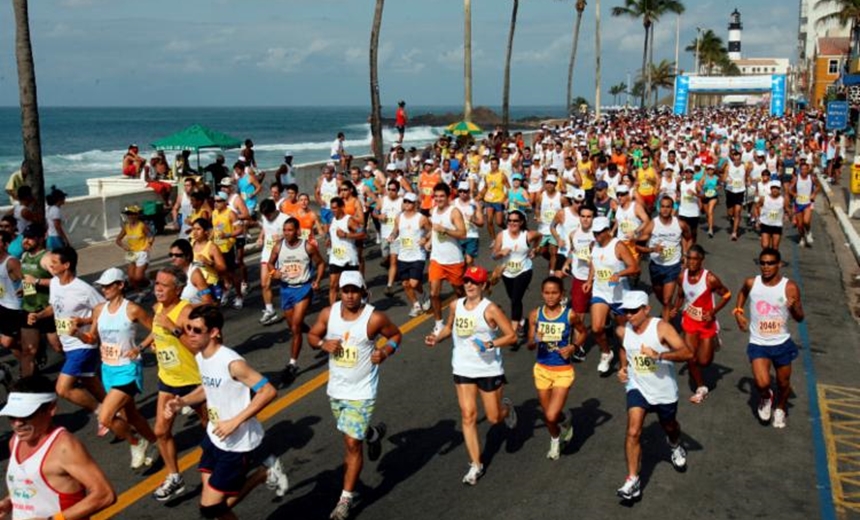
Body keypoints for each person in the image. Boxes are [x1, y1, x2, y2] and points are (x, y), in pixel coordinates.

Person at [164, 305, 288, 519]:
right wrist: (181, 401)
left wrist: (235, 422)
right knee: (216, 509)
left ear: (213, 332)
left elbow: (268, 391)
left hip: (237, 445)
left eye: (196, 330)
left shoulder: (232, 363)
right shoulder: (201, 357)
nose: (190, 335)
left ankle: (264, 473)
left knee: (210, 509)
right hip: (214, 437)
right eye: (188, 328)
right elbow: (206, 388)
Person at [306, 272, 402, 520]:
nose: (349, 295)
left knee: (351, 444)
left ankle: (344, 500)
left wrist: (385, 352)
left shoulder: (374, 318)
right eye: (345, 290)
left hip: (362, 391)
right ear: (339, 291)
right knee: (353, 435)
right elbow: (312, 336)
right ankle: (373, 434)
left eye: (354, 291)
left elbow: (395, 335)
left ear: (363, 292)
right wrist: (321, 345)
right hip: (336, 390)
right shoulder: (329, 314)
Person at [424, 265, 518, 486]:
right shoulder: (456, 305)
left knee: (494, 418)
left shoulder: (491, 309)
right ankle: (476, 465)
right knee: (468, 415)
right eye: (466, 281)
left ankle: (507, 409)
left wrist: (490, 343)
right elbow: (449, 328)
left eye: (474, 282)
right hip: (462, 367)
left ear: (483, 285)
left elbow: (512, 336)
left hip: (488, 369)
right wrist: (437, 338)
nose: (469, 285)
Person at [0, 375, 116, 519]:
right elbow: (31, 484)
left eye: (26, 415)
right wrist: (10, 501)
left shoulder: (64, 447)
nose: (17, 424)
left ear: (51, 409)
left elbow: (105, 494)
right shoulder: (16, 440)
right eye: (12, 416)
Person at [615, 290, 694, 501]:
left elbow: (687, 353)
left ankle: (676, 444)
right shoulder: (623, 330)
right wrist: (623, 368)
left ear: (646, 309)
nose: (629, 315)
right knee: (633, 431)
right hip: (637, 387)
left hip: (663, 391)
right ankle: (633, 479)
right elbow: (625, 349)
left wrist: (659, 355)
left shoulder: (662, 328)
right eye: (626, 311)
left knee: (669, 426)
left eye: (633, 311)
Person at [143, 266, 208, 502]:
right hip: (168, 380)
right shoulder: (158, 308)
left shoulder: (187, 312)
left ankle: (230, 460)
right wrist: (152, 344)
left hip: (194, 382)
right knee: (161, 430)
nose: (158, 289)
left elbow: (198, 346)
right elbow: (159, 335)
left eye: (163, 285)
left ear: (178, 289)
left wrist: (173, 329)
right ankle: (174, 477)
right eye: (156, 284)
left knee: (210, 427)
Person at [88, 267, 158, 469]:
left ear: (120, 285)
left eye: (109, 286)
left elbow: (156, 328)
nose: (105, 290)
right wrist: (76, 332)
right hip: (108, 370)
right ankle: (156, 443)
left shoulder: (132, 309)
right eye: (102, 286)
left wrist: (140, 348)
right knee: (132, 415)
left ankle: (136, 442)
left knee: (106, 417)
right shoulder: (99, 309)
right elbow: (91, 337)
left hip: (128, 369)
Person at [734, 247, 805, 429]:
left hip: (781, 343)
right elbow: (742, 293)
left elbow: (800, 317)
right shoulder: (752, 283)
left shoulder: (789, 287)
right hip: (758, 342)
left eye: (770, 263)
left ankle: (780, 408)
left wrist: (794, 307)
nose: (766, 267)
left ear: (779, 264)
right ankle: (766, 397)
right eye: (763, 263)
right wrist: (738, 311)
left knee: (783, 382)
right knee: (762, 382)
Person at [33, 246, 106, 413]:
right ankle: (119, 415)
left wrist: (84, 320)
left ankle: (103, 413)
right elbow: (54, 306)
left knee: (62, 389)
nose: (50, 266)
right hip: (68, 344)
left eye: (54, 262)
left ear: (66, 265)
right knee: (91, 383)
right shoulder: (55, 284)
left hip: (83, 344)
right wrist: (39, 315)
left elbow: (104, 310)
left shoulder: (83, 289)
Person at [526, 276, 587, 460]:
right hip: (542, 369)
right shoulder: (535, 315)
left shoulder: (569, 315)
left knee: (551, 416)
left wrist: (573, 347)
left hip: (562, 371)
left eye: (554, 293)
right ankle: (556, 437)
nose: (550, 297)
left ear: (561, 294)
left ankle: (559, 431)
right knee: (549, 415)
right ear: (542, 293)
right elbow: (529, 344)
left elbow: (583, 332)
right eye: (547, 293)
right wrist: (535, 338)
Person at [268, 218, 325, 387]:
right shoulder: (279, 246)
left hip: (303, 288)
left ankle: (292, 363)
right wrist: (273, 272)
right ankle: (316, 333)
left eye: (290, 230)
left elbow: (321, 263)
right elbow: (270, 263)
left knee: (295, 327)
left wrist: (317, 280)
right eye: (285, 230)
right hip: (286, 289)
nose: (287, 233)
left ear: (297, 231)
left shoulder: (307, 247)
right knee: (293, 325)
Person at [671, 245, 731, 403]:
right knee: (690, 357)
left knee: (704, 362)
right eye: (688, 258)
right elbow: (680, 295)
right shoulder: (682, 276)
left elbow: (726, 295)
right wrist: (676, 308)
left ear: (702, 260)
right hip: (689, 320)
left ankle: (714, 339)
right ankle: (700, 387)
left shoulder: (710, 279)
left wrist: (713, 311)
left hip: (706, 323)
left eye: (695, 259)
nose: (691, 262)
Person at [586, 216, 640, 375]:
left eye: (599, 233)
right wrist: (589, 281)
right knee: (596, 328)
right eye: (594, 233)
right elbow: (594, 265)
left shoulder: (619, 245)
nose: (596, 236)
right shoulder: (593, 245)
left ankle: (627, 362)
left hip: (619, 295)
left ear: (608, 231)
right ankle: (606, 352)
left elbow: (634, 268)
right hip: (600, 292)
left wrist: (619, 274)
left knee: (623, 332)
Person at [492, 209, 540, 337]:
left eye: (516, 221)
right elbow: (494, 255)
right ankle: (522, 321)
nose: (512, 223)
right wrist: (500, 253)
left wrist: (535, 249)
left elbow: (539, 236)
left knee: (516, 299)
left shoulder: (527, 235)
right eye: (510, 220)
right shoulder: (502, 235)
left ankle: (512, 333)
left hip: (524, 270)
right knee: (513, 298)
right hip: (507, 272)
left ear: (521, 222)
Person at [428, 183, 468, 334]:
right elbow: (434, 231)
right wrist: (428, 241)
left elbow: (463, 233)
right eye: (436, 196)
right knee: (434, 293)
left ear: (448, 196)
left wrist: (445, 229)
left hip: (453, 259)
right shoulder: (433, 211)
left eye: (441, 196)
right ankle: (439, 324)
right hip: (437, 259)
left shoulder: (454, 212)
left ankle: (466, 315)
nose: (438, 199)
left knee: (459, 292)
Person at [19, 223, 57, 378]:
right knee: (28, 350)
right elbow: (27, 280)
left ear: (40, 239)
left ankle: (79, 372)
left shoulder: (47, 258)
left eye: (30, 238)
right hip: (29, 309)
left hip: (48, 310)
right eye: (24, 237)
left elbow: (62, 281)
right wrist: (25, 290)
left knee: (58, 346)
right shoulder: (24, 257)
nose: (26, 241)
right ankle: (26, 385)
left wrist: (37, 281)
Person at [389, 192, 432, 317]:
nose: (407, 204)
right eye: (405, 201)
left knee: (413, 283)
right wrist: (392, 236)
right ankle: (416, 305)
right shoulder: (399, 217)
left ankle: (423, 295)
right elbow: (396, 230)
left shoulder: (421, 218)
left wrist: (425, 238)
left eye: (410, 202)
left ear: (415, 204)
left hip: (418, 255)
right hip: (403, 255)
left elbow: (431, 230)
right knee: (405, 284)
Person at [326, 196, 366, 305]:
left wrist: (346, 235)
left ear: (342, 207)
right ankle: (333, 310)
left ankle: (363, 294)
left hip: (349, 258)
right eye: (332, 208)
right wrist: (329, 240)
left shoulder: (350, 220)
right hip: (335, 258)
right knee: (333, 285)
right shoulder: (332, 219)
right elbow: (333, 233)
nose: (333, 210)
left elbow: (363, 234)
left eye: (335, 208)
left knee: (352, 286)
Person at [256, 199, 288, 325]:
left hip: (283, 254)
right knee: (264, 284)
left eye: (268, 215)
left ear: (274, 211)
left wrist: (282, 237)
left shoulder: (285, 218)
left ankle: (292, 305)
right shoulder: (265, 217)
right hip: (267, 254)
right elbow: (265, 228)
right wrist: (260, 237)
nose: (267, 217)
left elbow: (297, 233)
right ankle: (270, 310)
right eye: (264, 215)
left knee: (287, 283)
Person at [212, 191, 245, 309]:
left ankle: (239, 296)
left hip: (228, 248)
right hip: (217, 248)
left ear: (225, 202)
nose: (216, 203)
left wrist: (227, 235)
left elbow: (240, 229)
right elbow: (215, 229)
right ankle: (226, 289)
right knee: (219, 272)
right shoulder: (214, 213)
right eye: (215, 201)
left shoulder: (231, 214)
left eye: (219, 201)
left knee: (232, 272)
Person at [115, 205, 153, 293]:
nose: (130, 216)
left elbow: (150, 236)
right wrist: (124, 247)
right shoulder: (126, 227)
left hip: (141, 252)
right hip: (131, 253)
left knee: (138, 277)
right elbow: (118, 240)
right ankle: (139, 293)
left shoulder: (142, 225)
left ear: (137, 215)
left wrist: (149, 245)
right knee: (131, 277)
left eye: (132, 214)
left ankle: (149, 282)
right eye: (128, 214)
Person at [375, 180, 404, 297]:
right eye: (389, 189)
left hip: (397, 235)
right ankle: (394, 271)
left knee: (393, 260)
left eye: (393, 190)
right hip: (384, 235)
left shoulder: (402, 202)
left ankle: (389, 286)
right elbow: (375, 211)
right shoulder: (383, 200)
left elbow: (409, 213)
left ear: (397, 190)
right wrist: (378, 215)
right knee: (386, 257)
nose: (391, 192)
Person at [170, 238, 216, 305]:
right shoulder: (171, 273)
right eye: (171, 255)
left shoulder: (196, 275)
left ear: (187, 256)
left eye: (177, 255)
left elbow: (207, 300)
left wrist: (186, 309)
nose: (173, 258)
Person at [789, 162, 820, 248]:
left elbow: (818, 187)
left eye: (805, 169)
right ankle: (802, 238)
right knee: (800, 224)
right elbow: (790, 189)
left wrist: (814, 194)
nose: (804, 171)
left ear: (808, 170)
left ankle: (809, 232)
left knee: (806, 221)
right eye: (802, 169)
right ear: (799, 170)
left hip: (807, 203)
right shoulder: (796, 179)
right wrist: (794, 194)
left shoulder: (812, 178)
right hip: (798, 203)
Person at [757, 181, 789, 251]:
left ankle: (774, 261)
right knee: (765, 246)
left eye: (777, 188)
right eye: (773, 188)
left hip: (777, 225)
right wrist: (758, 219)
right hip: (765, 224)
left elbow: (787, 210)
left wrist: (787, 215)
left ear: (779, 189)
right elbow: (757, 207)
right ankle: (766, 260)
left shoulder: (783, 200)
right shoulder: (764, 198)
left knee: (775, 247)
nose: (775, 190)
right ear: (770, 189)